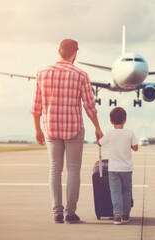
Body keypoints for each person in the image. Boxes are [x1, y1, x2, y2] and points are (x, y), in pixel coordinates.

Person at [31, 39, 103, 224]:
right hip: (73, 128)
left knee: (55, 169)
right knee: (73, 170)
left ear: (59, 51)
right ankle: (70, 213)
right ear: (75, 53)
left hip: (51, 128)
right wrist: (97, 127)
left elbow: (36, 106)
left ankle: (57, 212)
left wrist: (37, 129)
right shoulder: (81, 75)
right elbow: (89, 105)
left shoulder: (42, 73)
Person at [98, 107, 138, 225]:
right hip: (126, 168)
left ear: (111, 121)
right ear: (125, 120)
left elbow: (100, 143)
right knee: (126, 191)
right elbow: (135, 148)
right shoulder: (130, 133)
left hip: (113, 169)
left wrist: (99, 135)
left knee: (115, 191)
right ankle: (125, 215)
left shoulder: (109, 133)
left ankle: (117, 216)